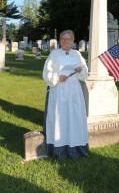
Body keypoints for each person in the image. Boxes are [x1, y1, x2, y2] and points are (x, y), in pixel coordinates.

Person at [43, 30, 88, 160]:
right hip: (59, 91)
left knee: (74, 117)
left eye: (68, 39)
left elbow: (85, 72)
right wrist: (57, 77)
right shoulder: (54, 54)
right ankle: (59, 148)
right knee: (60, 117)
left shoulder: (77, 54)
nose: (65, 41)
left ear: (73, 40)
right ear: (60, 40)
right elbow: (47, 73)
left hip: (74, 91)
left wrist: (81, 70)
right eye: (63, 39)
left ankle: (76, 147)